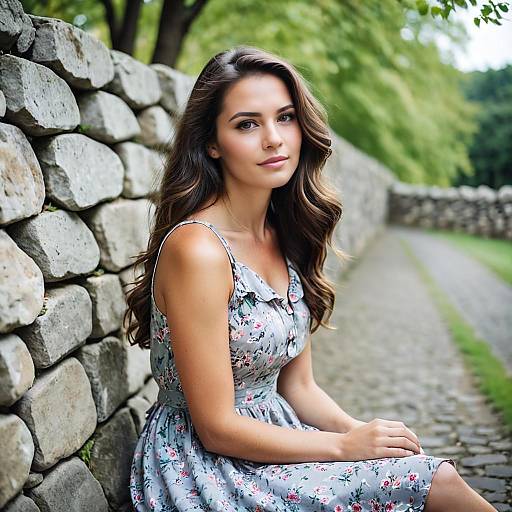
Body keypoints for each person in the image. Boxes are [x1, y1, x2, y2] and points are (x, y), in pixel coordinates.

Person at [124, 46, 497, 512]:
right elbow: (216, 426)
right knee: (434, 483)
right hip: (207, 465)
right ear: (212, 142)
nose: (274, 139)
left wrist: (359, 432)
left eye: (285, 118)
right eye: (247, 124)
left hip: (280, 440)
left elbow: (298, 388)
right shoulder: (197, 249)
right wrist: (344, 448)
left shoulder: (283, 233)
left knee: (425, 469)